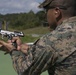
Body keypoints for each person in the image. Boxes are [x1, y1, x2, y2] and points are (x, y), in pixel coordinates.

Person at [0, 0, 76, 75]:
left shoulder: (52, 40)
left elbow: (25, 71)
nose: (45, 15)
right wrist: (26, 48)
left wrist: (13, 51)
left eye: (46, 10)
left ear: (56, 11)